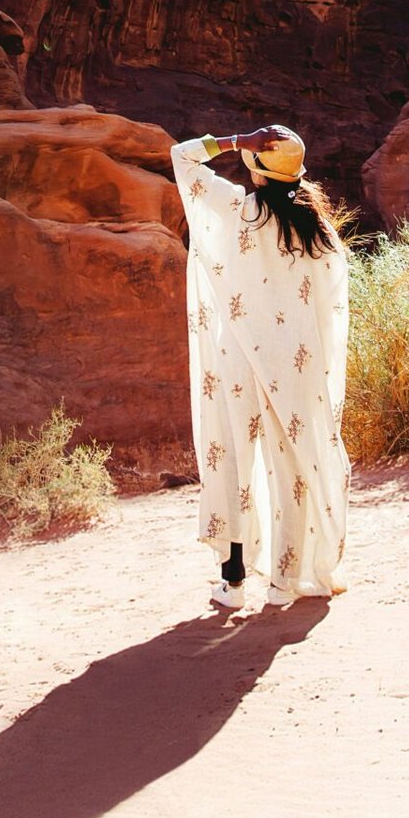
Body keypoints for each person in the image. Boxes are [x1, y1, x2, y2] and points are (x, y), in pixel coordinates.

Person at [169, 124, 350, 611]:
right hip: (295, 363)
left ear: (255, 164)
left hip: (238, 359)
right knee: (292, 466)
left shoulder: (238, 210)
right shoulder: (318, 231)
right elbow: (329, 309)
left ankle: (231, 584)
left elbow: (181, 157)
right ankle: (284, 582)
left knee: (229, 458)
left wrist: (233, 139)